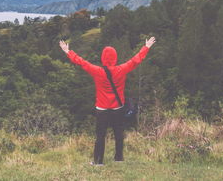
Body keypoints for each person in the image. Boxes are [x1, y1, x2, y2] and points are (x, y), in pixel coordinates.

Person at [59, 37, 156, 165]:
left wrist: (67, 51)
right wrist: (146, 47)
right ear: (115, 58)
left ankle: (99, 161)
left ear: (103, 58)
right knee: (118, 133)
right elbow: (135, 60)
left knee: (100, 135)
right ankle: (119, 158)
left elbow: (81, 62)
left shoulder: (97, 71)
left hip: (102, 108)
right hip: (117, 107)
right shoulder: (121, 69)